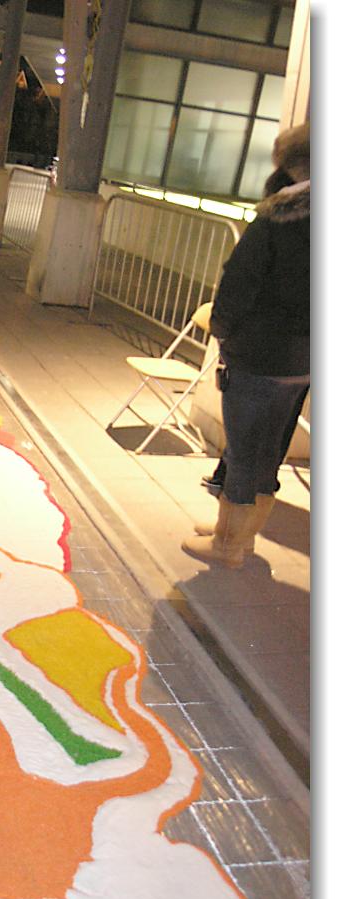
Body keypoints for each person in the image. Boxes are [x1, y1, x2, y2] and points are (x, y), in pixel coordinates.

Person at [182, 122, 309, 569]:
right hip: (304, 361)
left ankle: (227, 546)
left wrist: (222, 329)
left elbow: (238, 283)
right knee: (269, 450)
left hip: (260, 354)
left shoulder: (279, 218)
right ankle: (239, 535)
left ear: (291, 164)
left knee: (243, 450)